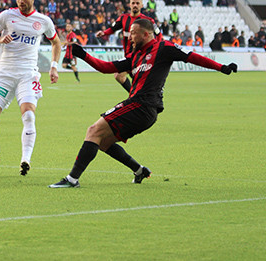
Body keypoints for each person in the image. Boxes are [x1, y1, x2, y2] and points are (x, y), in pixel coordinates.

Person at [48, 19, 237, 188]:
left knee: (93, 131)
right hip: (141, 108)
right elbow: (106, 68)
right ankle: (139, 170)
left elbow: (193, 57)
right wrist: (83, 55)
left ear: (146, 34)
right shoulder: (134, 55)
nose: (129, 37)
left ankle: (72, 179)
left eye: (133, 33)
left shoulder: (164, 48)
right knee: (102, 142)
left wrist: (221, 67)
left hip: (143, 105)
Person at [0, 0, 62, 176]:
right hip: (4, 73)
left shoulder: (43, 21)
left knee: (29, 115)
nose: (21, 1)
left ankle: (25, 159)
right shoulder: (7, 16)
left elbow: (56, 43)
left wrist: (53, 67)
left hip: (28, 73)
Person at [95, 0, 160, 93]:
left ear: (142, 5)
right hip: (128, 56)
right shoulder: (123, 18)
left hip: (141, 57)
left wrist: (157, 50)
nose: (135, 5)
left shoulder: (148, 21)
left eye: (137, 3)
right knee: (125, 78)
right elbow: (113, 29)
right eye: (133, 3)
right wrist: (104, 33)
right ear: (129, 5)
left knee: (119, 75)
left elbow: (158, 34)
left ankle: (135, 96)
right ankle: (135, 95)